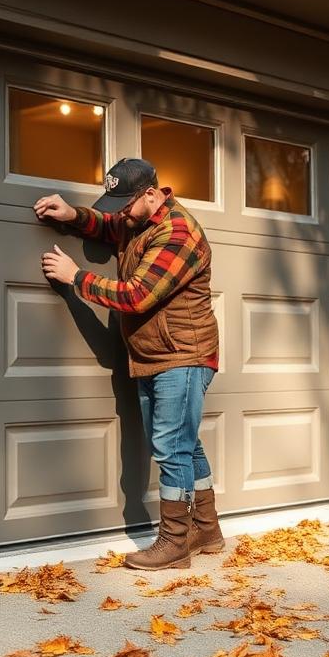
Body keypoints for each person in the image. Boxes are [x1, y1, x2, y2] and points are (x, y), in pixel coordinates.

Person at [34, 157, 223, 571]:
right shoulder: (140, 220)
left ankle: (175, 543)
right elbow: (109, 225)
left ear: (151, 194)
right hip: (157, 355)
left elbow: (137, 295)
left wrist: (76, 277)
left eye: (125, 203)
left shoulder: (178, 233)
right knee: (184, 443)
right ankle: (206, 529)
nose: (119, 212)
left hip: (183, 355)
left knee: (170, 447)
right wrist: (73, 215)